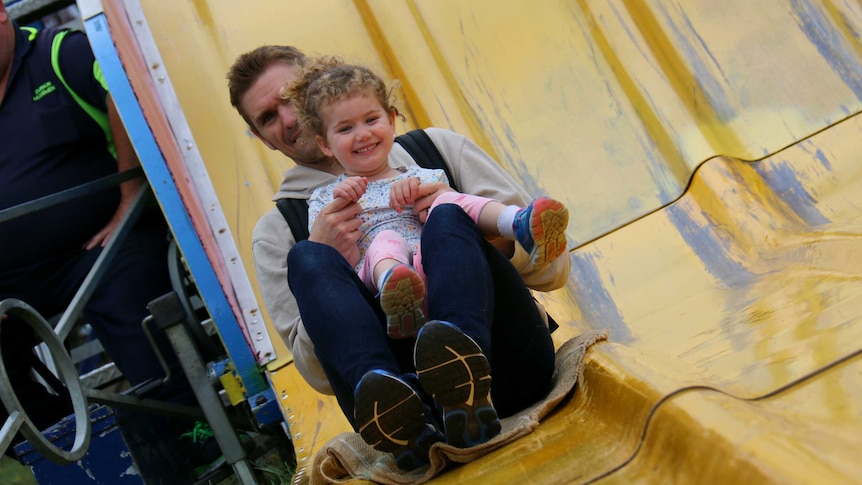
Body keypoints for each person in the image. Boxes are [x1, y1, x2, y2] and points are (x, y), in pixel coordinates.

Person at [228, 45, 571, 470]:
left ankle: (464, 371)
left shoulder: (436, 152)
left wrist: (459, 219)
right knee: (308, 259)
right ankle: (392, 401)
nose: (287, 119)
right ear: (261, 138)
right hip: (412, 420)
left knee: (448, 215)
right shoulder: (279, 229)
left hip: (508, 367)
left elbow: (553, 268)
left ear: (312, 85)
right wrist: (332, 262)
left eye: (288, 98)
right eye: (266, 118)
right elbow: (317, 376)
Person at [0, 5, 210, 477]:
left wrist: (129, 193)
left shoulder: (58, 52)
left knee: (135, 305)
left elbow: (122, 78)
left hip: (98, 247)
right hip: (10, 276)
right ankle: (74, 456)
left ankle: (197, 446)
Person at [289, 56, 570, 341]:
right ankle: (395, 286)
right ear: (325, 144)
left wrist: (431, 201)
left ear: (391, 120)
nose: (362, 134)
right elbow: (332, 271)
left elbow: (450, 232)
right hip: (386, 289)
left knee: (450, 205)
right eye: (346, 129)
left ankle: (517, 222)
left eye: (371, 120)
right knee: (387, 241)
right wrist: (338, 222)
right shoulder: (327, 201)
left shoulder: (425, 175)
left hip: (439, 270)